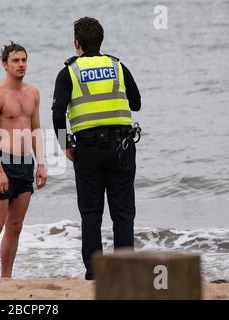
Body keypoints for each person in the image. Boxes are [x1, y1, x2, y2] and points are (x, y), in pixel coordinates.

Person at [51, 17, 141, 280]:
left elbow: (57, 114)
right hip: (122, 146)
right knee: (122, 211)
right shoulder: (117, 66)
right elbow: (136, 103)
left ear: (77, 43)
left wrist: (64, 144)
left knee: (91, 212)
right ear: (100, 41)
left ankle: (94, 272)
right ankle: (124, 271)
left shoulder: (69, 71)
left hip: (87, 149)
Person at [0, 42, 47, 278]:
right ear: (5, 65)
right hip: (3, 163)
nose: (21, 65)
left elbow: (36, 129)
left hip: (25, 163)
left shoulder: (33, 93)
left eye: (24, 60)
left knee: (15, 227)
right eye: (16, 61)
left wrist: (40, 164)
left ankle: (6, 278)